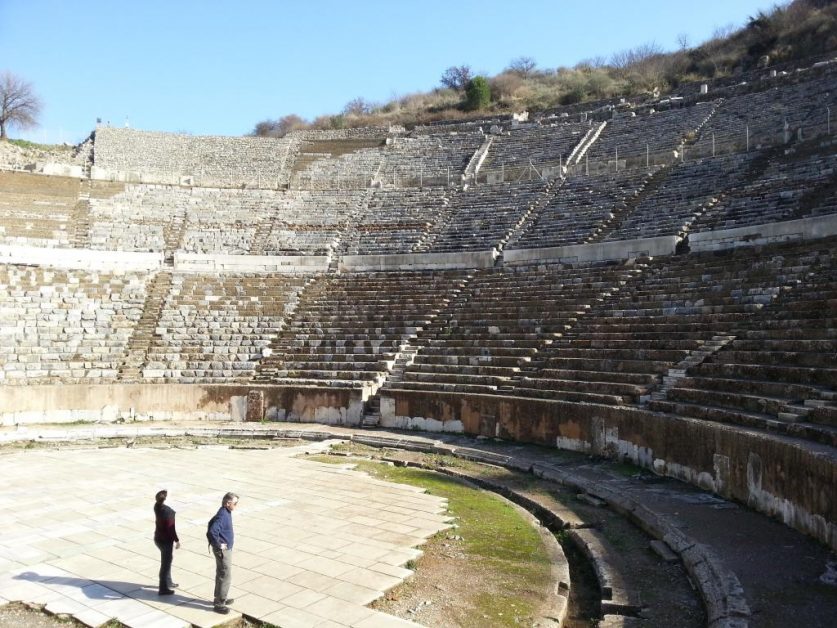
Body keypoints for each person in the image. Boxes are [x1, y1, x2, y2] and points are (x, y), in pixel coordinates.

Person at [208, 492, 239, 614]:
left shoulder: (225, 512)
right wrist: (219, 544)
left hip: (225, 549)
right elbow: (212, 531)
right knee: (225, 575)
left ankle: (220, 598)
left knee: (221, 573)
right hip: (223, 551)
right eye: (235, 503)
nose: (236, 506)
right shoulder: (223, 515)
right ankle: (220, 604)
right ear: (228, 503)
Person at [153, 489, 180, 595]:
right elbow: (171, 529)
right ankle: (163, 588)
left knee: (168, 560)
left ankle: (168, 582)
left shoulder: (156, 506)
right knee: (165, 564)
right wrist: (177, 540)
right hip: (165, 541)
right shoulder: (168, 512)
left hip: (158, 538)